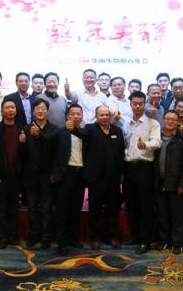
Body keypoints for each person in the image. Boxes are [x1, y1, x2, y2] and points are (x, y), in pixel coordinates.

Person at [69, 105, 125, 251]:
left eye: (107, 115)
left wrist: (121, 173)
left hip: (113, 179)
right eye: (101, 115)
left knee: (112, 209)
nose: (105, 117)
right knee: (95, 211)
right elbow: (80, 133)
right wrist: (73, 129)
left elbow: (120, 153)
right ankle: (95, 238)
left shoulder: (117, 131)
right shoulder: (90, 128)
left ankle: (112, 236)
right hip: (95, 179)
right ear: (96, 116)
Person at [122, 91, 161, 254]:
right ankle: (135, 236)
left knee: (145, 204)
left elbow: (157, 142)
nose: (137, 106)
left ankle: (146, 240)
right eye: (135, 103)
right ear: (130, 104)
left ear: (145, 104)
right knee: (131, 203)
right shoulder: (125, 123)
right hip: (128, 167)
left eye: (140, 103)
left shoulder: (153, 123)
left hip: (145, 167)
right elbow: (124, 143)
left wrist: (145, 145)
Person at [20, 98, 59, 249]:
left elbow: (55, 152)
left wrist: (38, 134)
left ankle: (46, 237)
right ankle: (33, 236)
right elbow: (22, 155)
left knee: (46, 209)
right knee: (32, 208)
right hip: (30, 176)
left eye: (43, 108)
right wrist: (22, 143)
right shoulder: (26, 128)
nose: (40, 111)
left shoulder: (54, 129)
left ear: (47, 112)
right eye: (37, 108)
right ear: (33, 111)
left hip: (47, 176)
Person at [0, 98, 23, 249]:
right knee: (0, 208)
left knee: (13, 208)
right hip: (0, 177)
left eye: (12, 107)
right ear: (2, 111)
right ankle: (1, 237)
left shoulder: (22, 129)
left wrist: (23, 142)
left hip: (16, 176)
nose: (10, 110)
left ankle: (12, 236)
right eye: (7, 107)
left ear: (16, 110)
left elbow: (25, 154)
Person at [154, 110, 183, 254]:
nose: (170, 121)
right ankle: (164, 240)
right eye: (168, 118)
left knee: (177, 216)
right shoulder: (156, 137)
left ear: (178, 122)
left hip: (176, 184)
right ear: (163, 120)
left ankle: (177, 242)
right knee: (162, 214)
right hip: (159, 182)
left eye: (174, 119)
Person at [54, 104, 86, 256]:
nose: (75, 116)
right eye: (72, 113)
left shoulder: (85, 132)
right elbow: (52, 154)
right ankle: (62, 242)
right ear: (68, 116)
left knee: (75, 208)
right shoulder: (60, 133)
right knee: (62, 210)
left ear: (82, 116)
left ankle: (73, 238)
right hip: (65, 174)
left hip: (80, 174)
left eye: (78, 114)